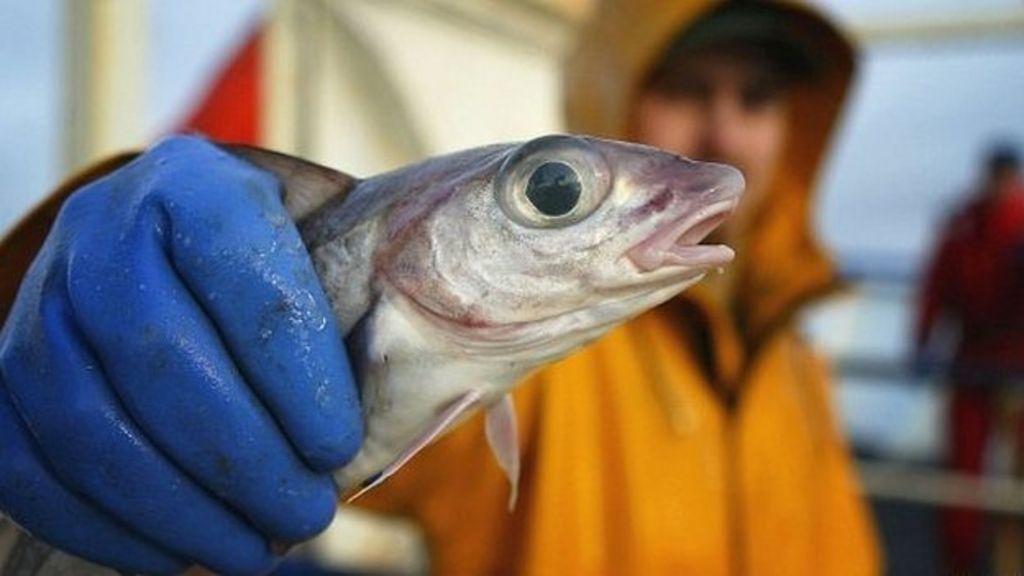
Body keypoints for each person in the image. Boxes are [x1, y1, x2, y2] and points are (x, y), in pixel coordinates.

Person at [0, 1, 880, 575]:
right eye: (688, 90)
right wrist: (80, 299)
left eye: (756, 100)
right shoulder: (556, 360)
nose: (723, 134)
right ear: (617, 95)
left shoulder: (800, 364)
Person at [913, 143, 1024, 572]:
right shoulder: (962, 224)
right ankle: (959, 564)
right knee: (962, 477)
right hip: (972, 360)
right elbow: (936, 286)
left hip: (1016, 363)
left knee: (1016, 483)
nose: (1000, 188)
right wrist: (923, 342)